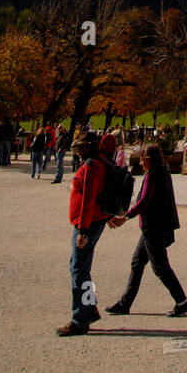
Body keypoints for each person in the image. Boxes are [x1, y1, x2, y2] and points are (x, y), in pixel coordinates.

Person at [106, 143, 187, 317]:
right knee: (137, 263)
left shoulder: (153, 175)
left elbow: (144, 201)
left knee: (160, 267)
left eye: (142, 159)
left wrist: (125, 217)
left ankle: (182, 302)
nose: (141, 163)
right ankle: (125, 303)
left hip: (153, 227)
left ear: (148, 159)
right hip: (153, 227)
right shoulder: (163, 172)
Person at [56, 131, 116, 336]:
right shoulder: (100, 162)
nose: (79, 151)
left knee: (78, 269)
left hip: (88, 224)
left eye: (82, 147)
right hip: (95, 220)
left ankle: (80, 319)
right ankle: (89, 309)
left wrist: (82, 229)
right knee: (82, 267)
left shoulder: (92, 166)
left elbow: (88, 199)